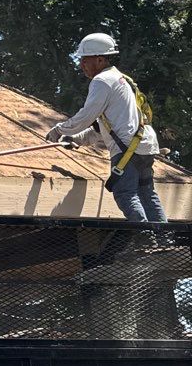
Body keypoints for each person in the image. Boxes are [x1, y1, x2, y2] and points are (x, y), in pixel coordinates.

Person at [46, 32, 167, 224]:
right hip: (144, 146)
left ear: (100, 59)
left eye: (85, 60)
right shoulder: (120, 79)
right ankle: (163, 238)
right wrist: (76, 139)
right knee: (146, 193)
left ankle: (144, 236)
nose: (81, 65)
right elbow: (105, 128)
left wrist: (59, 130)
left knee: (125, 193)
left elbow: (86, 116)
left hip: (127, 150)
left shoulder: (101, 81)